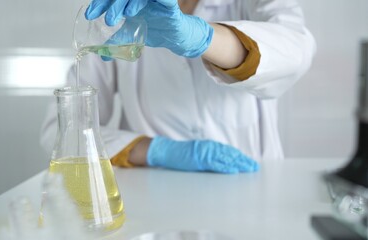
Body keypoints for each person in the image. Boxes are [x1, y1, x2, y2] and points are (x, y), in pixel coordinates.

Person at [40, 0, 316, 174]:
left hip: (251, 187)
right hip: (155, 196)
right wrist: (156, 150)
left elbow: (295, 53)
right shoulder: (117, 14)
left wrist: (206, 39)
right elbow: (62, 129)